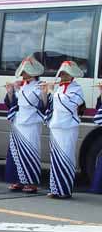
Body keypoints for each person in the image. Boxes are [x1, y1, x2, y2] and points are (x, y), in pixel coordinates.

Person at [42, 61, 85, 199]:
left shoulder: (77, 88)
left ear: (72, 75)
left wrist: (52, 93)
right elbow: (54, 105)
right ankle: (55, 188)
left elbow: (70, 104)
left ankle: (65, 190)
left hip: (68, 127)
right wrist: (47, 92)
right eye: (62, 74)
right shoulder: (59, 88)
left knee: (66, 157)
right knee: (55, 158)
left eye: (66, 74)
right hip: (56, 126)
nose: (63, 76)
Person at [4, 57, 46, 194]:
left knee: (30, 151)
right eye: (23, 71)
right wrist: (11, 92)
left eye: (27, 71)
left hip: (31, 121)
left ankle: (31, 182)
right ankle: (17, 180)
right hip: (18, 121)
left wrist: (17, 90)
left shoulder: (39, 86)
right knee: (15, 151)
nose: (24, 74)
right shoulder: (22, 86)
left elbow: (37, 104)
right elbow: (13, 104)